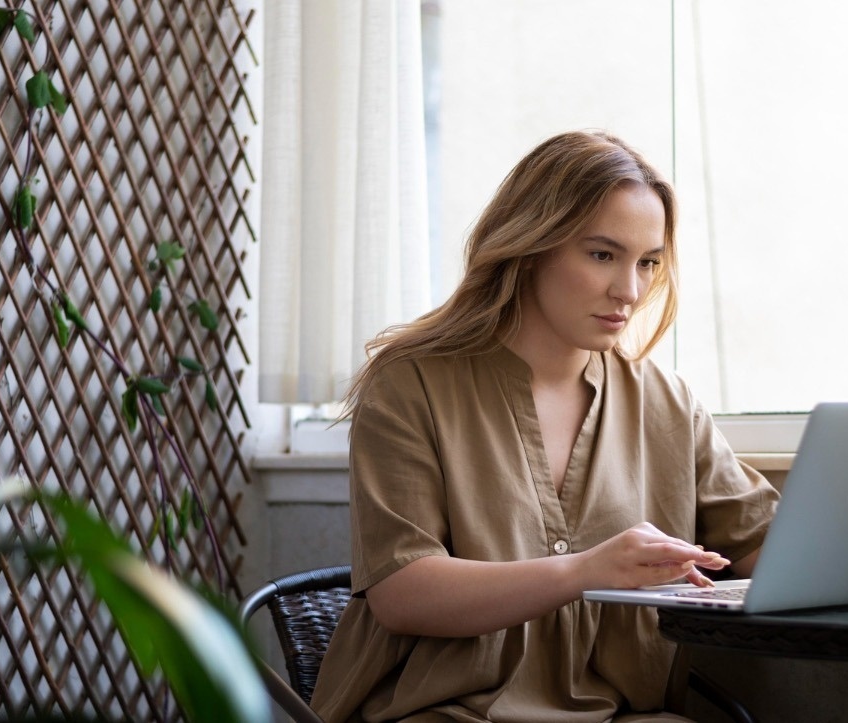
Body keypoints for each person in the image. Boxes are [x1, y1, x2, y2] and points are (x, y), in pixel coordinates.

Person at [310, 130, 781, 723]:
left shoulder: (667, 402)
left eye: (647, 263)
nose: (629, 291)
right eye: (602, 254)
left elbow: (762, 545)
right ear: (530, 246)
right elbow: (403, 592)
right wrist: (584, 572)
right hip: (440, 711)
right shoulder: (410, 384)